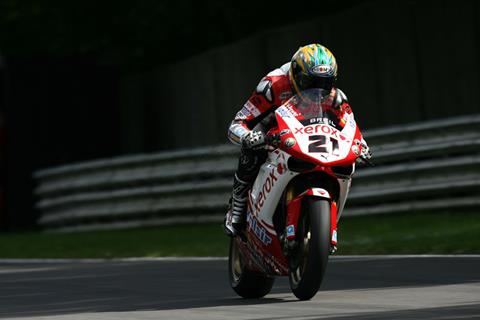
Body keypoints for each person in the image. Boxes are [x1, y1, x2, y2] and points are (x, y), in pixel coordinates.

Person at [224, 43, 371, 236]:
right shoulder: (272, 85)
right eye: (310, 82)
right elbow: (237, 124)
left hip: (306, 133)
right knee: (252, 151)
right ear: (295, 74)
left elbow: (350, 125)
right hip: (270, 128)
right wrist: (249, 136)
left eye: (324, 83)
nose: (318, 89)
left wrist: (362, 146)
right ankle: (238, 204)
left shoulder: (335, 96)